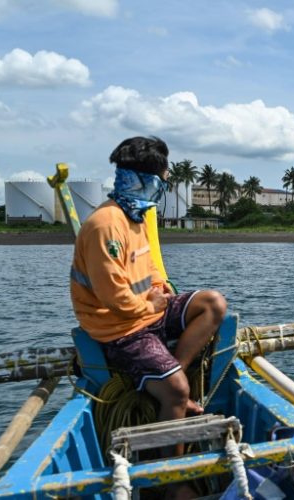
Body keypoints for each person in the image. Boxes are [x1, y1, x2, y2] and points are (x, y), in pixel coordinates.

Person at [70, 136, 227, 430]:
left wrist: (159, 286)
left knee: (213, 304)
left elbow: (148, 261)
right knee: (178, 392)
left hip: (149, 309)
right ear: (146, 180)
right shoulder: (106, 225)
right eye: (163, 177)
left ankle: (172, 370)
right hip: (119, 326)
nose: (165, 183)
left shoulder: (135, 214)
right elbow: (113, 298)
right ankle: (170, 458)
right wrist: (149, 304)